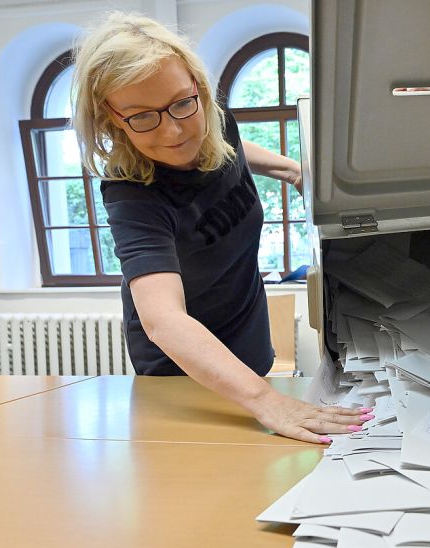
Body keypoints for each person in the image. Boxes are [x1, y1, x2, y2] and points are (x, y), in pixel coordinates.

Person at [71, 12, 370, 442]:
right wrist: (267, 401)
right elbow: (162, 321)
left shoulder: (209, 119)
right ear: (112, 118)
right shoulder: (133, 195)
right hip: (183, 377)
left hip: (248, 348)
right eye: (141, 116)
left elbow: (230, 143)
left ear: (198, 87)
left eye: (181, 103)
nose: (174, 131)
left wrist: (290, 169)